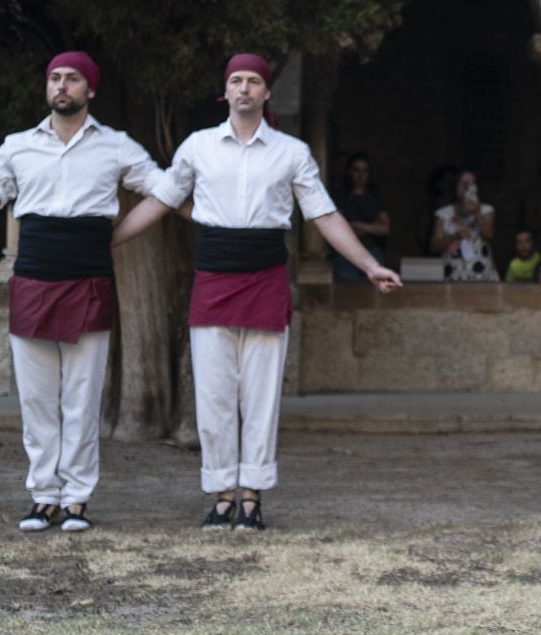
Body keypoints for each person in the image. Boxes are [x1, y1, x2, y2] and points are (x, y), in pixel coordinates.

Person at [112, 54, 402, 531]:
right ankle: (222, 494)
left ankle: (253, 496)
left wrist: (369, 266)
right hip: (214, 278)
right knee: (214, 392)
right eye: (235, 81)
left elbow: (324, 215)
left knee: (261, 394)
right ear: (224, 92)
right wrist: (110, 242)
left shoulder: (291, 152)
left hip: (266, 277)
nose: (243, 88)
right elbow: (160, 200)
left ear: (266, 93)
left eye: (252, 81)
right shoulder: (198, 147)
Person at [0, 52, 160, 532]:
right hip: (33, 278)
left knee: (82, 398)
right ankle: (44, 495)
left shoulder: (116, 146)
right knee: (38, 399)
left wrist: (116, 235)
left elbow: (162, 192)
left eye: (72, 79)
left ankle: (77, 499)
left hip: (89, 277)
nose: (62, 85)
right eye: (55, 78)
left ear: (91, 90)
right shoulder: (17, 147)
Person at [330, 153, 390, 283]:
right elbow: (336, 227)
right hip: (346, 252)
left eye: (364, 170)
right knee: (347, 292)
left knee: (373, 294)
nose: (360, 175)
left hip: (372, 252)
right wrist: (372, 226)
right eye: (356, 170)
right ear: (349, 172)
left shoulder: (375, 198)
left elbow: (385, 228)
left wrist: (356, 225)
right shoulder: (340, 197)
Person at [432, 171, 496, 283]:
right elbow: (434, 246)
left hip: (481, 275)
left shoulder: (486, 210)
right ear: (456, 187)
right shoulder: (444, 213)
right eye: (464, 184)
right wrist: (455, 236)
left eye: (471, 184)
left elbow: (489, 234)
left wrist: (476, 212)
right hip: (454, 274)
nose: (467, 187)